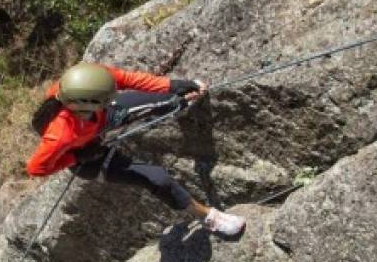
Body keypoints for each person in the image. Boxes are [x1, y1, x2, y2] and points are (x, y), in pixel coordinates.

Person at [26, 63, 245, 236]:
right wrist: (75, 157)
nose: (115, 94)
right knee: (157, 179)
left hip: (99, 120)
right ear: (89, 103)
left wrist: (174, 85)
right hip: (88, 159)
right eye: (109, 96)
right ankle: (208, 217)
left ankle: (179, 103)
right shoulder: (61, 133)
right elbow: (36, 168)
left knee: (157, 99)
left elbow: (130, 80)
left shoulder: (91, 79)